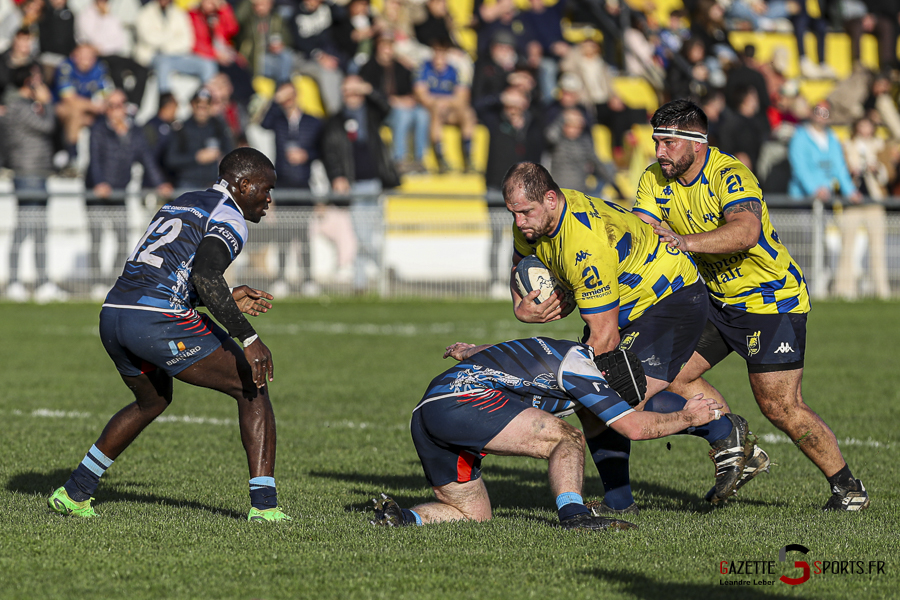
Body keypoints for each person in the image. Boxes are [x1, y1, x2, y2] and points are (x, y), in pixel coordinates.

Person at [632, 98, 869, 511]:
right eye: (656, 142)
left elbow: (745, 231)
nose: (659, 152)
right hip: (716, 300)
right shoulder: (654, 178)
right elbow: (640, 232)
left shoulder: (730, 175)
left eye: (669, 142)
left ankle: (848, 488)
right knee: (666, 373)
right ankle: (735, 443)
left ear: (698, 143)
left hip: (771, 300)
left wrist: (684, 242)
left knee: (779, 406)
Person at [502, 162, 766, 512]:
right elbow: (520, 266)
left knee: (614, 396)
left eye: (525, 212)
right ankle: (619, 502)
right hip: (626, 304)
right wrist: (521, 306)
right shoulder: (535, 223)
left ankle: (721, 430)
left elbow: (604, 337)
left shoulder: (584, 245)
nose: (519, 222)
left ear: (551, 199)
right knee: (592, 402)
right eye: (513, 213)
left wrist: (554, 390)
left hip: (671, 300)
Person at [48, 147, 292, 522]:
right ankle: (265, 508)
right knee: (252, 385)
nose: (269, 199)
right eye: (265, 189)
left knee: (153, 401)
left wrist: (223, 298)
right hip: (157, 320)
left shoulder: (183, 202)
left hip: (114, 315)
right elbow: (206, 276)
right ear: (243, 185)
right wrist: (248, 338)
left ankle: (75, 491)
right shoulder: (230, 216)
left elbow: (169, 273)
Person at [371, 336, 728, 528]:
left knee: (471, 515)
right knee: (566, 437)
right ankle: (574, 515)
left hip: (427, 411)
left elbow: (496, 351)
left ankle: (404, 518)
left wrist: (470, 350)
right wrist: (687, 416)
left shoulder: (566, 352)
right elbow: (632, 427)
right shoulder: (582, 374)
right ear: (606, 384)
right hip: (466, 402)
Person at [85, 88, 173, 297]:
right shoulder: (98, 130)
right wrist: (99, 184)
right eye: (112, 106)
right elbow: (94, 160)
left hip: (119, 192)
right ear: (106, 109)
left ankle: (114, 280)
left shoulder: (135, 131)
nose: (117, 110)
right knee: (96, 238)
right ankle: (96, 282)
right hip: (97, 193)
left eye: (120, 104)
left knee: (123, 238)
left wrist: (160, 183)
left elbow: (147, 160)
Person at [322, 74, 399, 293]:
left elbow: (387, 108)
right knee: (360, 234)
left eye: (356, 91)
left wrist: (369, 89)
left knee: (369, 232)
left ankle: (364, 280)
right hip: (353, 185)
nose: (352, 96)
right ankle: (371, 276)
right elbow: (330, 152)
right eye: (348, 91)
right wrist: (337, 175)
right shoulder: (336, 121)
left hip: (373, 182)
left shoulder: (372, 113)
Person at [4, 63, 67, 303]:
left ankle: (39, 282)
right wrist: (49, 103)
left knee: (37, 231)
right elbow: (48, 126)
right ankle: (16, 282)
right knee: (25, 229)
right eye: (37, 80)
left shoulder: (23, 106)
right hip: (28, 172)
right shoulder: (18, 107)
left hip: (37, 172)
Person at [165, 87, 234, 189]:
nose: (202, 110)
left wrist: (220, 157)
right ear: (192, 105)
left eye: (206, 106)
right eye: (199, 106)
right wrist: (196, 157)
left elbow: (230, 153)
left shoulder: (218, 127)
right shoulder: (181, 129)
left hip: (212, 183)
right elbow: (171, 159)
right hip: (188, 183)